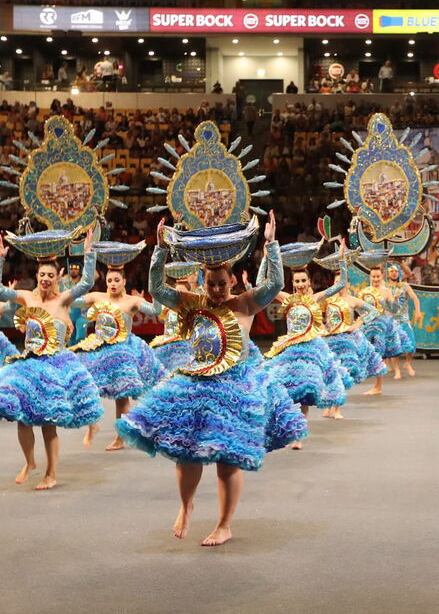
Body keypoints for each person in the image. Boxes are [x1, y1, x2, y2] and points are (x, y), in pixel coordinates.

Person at [117, 211, 306, 546]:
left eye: (222, 284)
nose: (217, 290)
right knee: (185, 452)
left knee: (227, 461)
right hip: (196, 385)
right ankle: (186, 505)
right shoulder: (192, 304)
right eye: (211, 284)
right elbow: (156, 289)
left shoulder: (244, 304)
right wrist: (160, 249)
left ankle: (224, 524)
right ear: (203, 283)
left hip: (235, 388)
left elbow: (275, 285)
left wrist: (272, 245)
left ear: (232, 281)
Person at [0, 229, 104, 490]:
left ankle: (51, 473)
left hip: (55, 366)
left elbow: (86, 283)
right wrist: (1, 259)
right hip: (28, 365)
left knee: (48, 425)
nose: (45, 279)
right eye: (41, 275)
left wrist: (88, 254)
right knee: (22, 418)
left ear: (59, 277)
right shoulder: (28, 297)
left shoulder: (64, 300)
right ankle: (30, 462)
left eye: (50, 275)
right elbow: (1, 293)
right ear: (36, 276)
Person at [71, 260, 166, 451]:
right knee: (81, 384)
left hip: (122, 353)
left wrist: (155, 289)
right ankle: (92, 425)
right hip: (99, 350)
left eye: (116, 280)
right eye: (109, 281)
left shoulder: (132, 301)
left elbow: (157, 311)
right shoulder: (97, 297)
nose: (112, 284)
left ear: (124, 281)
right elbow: (72, 300)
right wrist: (85, 268)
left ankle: (120, 437)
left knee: (122, 397)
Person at [264, 247, 350, 438]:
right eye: (297, 281)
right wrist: (266, 258)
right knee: (279, 387)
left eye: (304, 280)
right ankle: (287, 424)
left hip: (311, 349)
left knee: (305, 390)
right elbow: (264, 284)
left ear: (309, 282)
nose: (301, 284)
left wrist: (342, 259)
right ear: (292, 283)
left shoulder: (315, 298)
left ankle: (299, 432)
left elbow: (341, 283)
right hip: (290, 349)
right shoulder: (287, 298)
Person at [317, 252, 386, 418]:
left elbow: (373, 311)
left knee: (343, 373)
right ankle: (329, 404)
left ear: (347, 284)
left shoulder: (352, 300)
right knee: (329, 373)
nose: (339, 286)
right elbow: (315, 314)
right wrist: (322, 327)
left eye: (341, 282)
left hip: (346, 341)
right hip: (329, 340)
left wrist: (357, 324)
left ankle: (337, 408)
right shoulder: (328, 300)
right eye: (336, 283)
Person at [356, 265, 405, 394]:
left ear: (382, 276)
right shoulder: (365, 291)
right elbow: (360, 309)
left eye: (378, 276)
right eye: (373, 276)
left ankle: (378, 386)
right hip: (367, 325)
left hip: (381, 326)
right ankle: (374, 383)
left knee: (379, 355)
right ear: (370, 277)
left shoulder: (386, 291)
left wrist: (395, 299)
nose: (376, 279)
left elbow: (394, 310)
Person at [385, 262, 422, 378]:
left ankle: (408, 363)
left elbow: (415, 298)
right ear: (387, 273)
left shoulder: (404, 286)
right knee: (394, 346)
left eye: (396, 271)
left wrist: (417, 311)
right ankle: (397, 370)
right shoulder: (385, 287)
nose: (394, 273)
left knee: (411, 344)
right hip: (391, 320)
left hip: (404, 319)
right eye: (391, 271)